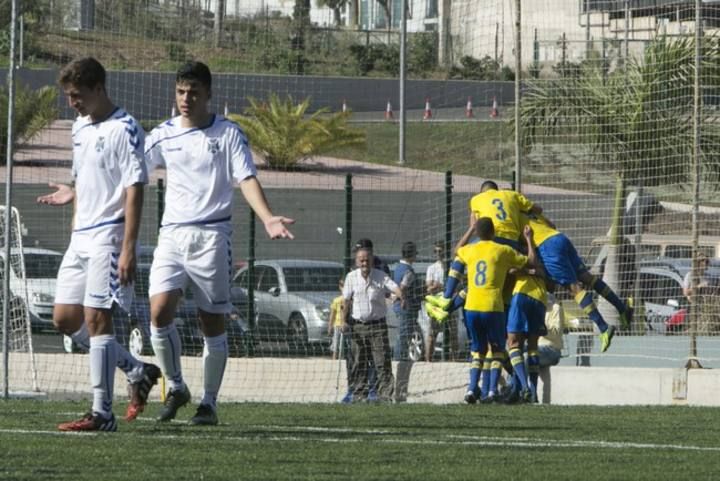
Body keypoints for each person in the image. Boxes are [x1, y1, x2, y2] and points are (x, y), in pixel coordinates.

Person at [144, 61, 294, 425]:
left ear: (208, 94)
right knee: (158, 313)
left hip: (213, 236)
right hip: (172, 235)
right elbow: (131, 173)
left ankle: (208, 403)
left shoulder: (228, 134)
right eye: (181, 91)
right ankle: (177, 386)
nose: (186, 98)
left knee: (210, 323)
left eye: (193, 91)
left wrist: (267, 217)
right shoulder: (163, 134)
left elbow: (246, 178)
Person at [38, 57, 160, 431]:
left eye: (77, 95)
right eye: (69, 96)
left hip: (109, 234)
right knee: (64, 318)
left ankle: (102, 413)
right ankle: (137, 369)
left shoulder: (126, 128)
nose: (72, 103)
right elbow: (91, 176)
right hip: (81, 237)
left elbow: (134, 188)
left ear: (98, 89)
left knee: (96, 318)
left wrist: (128, 247)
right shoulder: (79, 127)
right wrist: (71, 192)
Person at [440, 217, 537, 404]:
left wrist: (469, 229)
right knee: (498, 349)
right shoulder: (502, 250)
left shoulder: (470, 250)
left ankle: (470, 389)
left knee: (477, 351)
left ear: (477, 233)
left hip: (471, 306)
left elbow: (456, 251)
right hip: (493, 306)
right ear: (493, 233)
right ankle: (492, 390)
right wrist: (529, 239)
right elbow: (531, 262)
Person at [527, 215, 631, 352]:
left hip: (547, 248)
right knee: (587, 278)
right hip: (560, 238)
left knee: (574, 289)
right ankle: (622, 308)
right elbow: (552, 225)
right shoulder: (530, 212)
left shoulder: (515, 219)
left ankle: (604, 328)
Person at [342, 246, 403, 403]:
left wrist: (402, 296)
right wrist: (343, 321)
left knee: (382, 362)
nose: (364, 263)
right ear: (357, 262)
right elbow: (346, 301)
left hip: (378, 326)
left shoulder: (381, 276)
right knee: (358, 362)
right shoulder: (351, 277)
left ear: (372, 260)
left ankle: (385, 396)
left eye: (367, 260)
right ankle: (358, 394)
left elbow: (395, 287)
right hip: (357, 326)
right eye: (361, 260)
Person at [328, 278, 346, 361]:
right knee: (336, 343)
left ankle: (343, 358)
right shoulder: (336, 300)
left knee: (345, 344)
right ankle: (334, 359)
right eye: (342, 286)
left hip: (347, 325)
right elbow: (332, 314)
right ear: (340, 287)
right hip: (337, 325)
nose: (344, 288)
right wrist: (330, 326)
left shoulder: (350, 299)